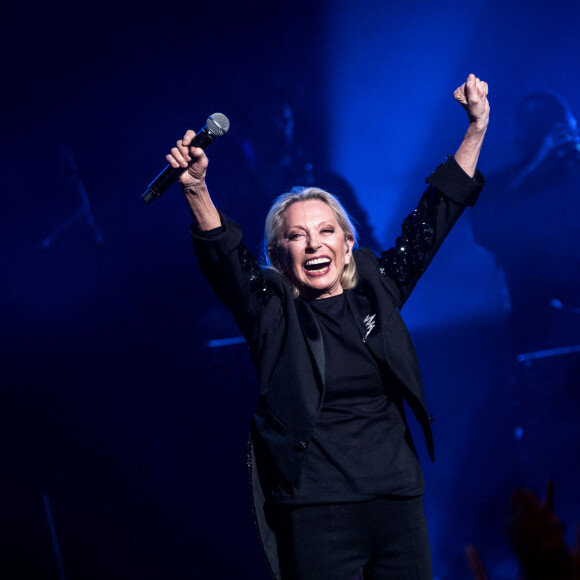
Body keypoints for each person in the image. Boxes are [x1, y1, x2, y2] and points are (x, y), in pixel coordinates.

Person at [166, 73, 489, 579]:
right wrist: (196, 189)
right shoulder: (272, 312)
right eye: (298, 236)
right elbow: (226, 261)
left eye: (325, 231)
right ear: (278, 254)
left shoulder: (377, 288)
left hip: (397, 498)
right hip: (318, 510)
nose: (314, 244)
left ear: (346, 244)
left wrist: (475, 128)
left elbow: (432, 219)